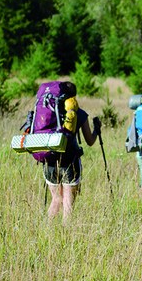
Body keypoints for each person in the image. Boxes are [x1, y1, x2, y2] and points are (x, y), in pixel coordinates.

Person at [44, 82, 101, 221]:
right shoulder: (79, 113)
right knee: (68, 204)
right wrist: (97, 130)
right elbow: (90, 141)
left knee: (56, 199)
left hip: (49, 160)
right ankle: (67, 236)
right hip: (70, 161)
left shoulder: (49, 110)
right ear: (74, 97)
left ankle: (46, 231)